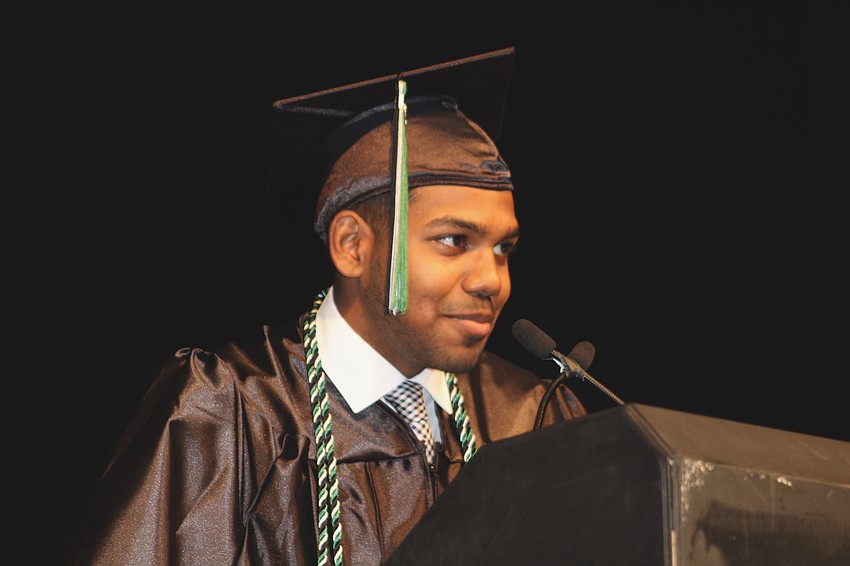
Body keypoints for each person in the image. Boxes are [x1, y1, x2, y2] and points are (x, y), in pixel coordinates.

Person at [67, 47, 587, 565]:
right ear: (351, 246)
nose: (491, 280)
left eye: (503, 248)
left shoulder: (532, 416)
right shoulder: (231, 415)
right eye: (454, 240)